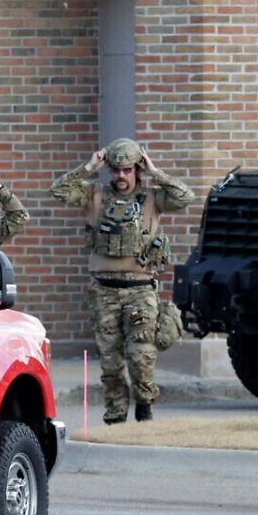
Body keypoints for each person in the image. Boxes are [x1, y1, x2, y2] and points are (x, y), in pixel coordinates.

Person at [51, 138, 194, 424]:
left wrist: (156, 173)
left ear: (136, 169)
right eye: (115, 170)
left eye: (127, 170)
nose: (121, 176)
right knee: (111, 362)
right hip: (104, 290)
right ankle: (116, 416)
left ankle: (144, 405)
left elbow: (185, 196)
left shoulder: (153, 197)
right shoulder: (94, 195)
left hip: (140, 289)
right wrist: (88, 168)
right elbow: (59, 191)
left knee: (141, 356)